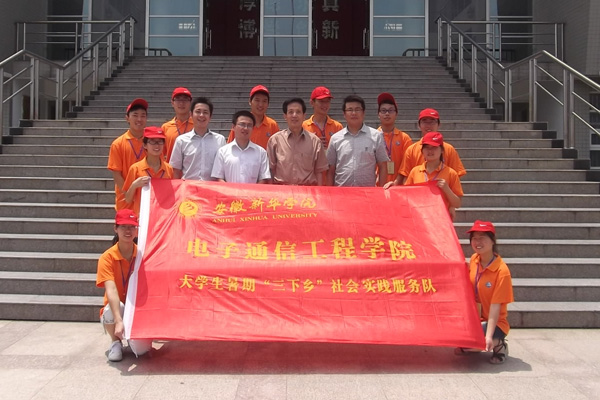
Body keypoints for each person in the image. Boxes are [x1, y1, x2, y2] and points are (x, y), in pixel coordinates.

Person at [96, 210, 152, 362]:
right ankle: (116, 342)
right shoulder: (107, 258)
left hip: (138, 308)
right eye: (123, 227)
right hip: (118, 307)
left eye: (132, 227)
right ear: (116, 228)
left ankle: (133, 340)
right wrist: (119, 321)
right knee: (110, 310)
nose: (128, 231)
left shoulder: (143, 255)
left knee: (141, 351)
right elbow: (111, 289)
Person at [456, 220, 514, 364]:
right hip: (476, 318)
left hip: (495, 322)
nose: (478, 242)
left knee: (473, 345)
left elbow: (495, 307)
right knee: (457, 339)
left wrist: (488, 336)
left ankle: (499, 344)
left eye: (482, 238)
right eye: (474, 238)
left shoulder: (501, 271)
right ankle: (477, 341)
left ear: (492, 240)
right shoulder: (475, 259)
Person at [385, 107, 466, 187]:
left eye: (432, 122)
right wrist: (394, 185)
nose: (428, 125)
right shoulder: (411, 150)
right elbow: (405, 174)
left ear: (439, 125)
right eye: (425, 121)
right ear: (419, 125)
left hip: (442, 193)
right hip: (418, 193)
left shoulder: (449, 149)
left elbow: (455, 178)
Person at [326, 95, 389, 187]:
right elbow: (330, 169)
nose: (354, 113)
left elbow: (383, 165)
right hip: (341, 191)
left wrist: (382, 190)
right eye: (350, 110)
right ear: (344, 114)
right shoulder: (335, 138)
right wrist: (329, 192)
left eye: (357, 109)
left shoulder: (376, 136)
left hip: (367, 192)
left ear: (363, 113)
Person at [267, 98, 328, 186]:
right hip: (282, 190)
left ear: (304, 116)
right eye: (291, 112)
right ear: (285, 116)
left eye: (298, 112)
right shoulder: (275, 140)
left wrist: (319, 192)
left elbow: (319, 172)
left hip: (307, 191)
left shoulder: (315, 141)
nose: (294, 115)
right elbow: (271, 170)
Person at [404, 131, 463, 216]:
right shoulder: (415, 171)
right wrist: (392, 187)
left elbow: (457, 204)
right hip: (420, 217)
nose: (430, 151)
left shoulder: (451, 173)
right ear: (422, 151)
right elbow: (405, 196)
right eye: (427, 148)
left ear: (442, 150)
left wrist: (447, 189)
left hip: (441, 219)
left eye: (434, 147)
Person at [169, 97, 225, 180]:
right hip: (188, 186)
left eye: (205, 112)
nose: (201, 115)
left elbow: (223, 169)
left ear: (210, 116)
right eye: (198, 112)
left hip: (212, 187)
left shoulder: (220, 140)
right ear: (191, 115)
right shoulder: (181, 140)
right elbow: (175, 170)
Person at [107, 98, 149, 210]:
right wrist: (129, 194)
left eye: (143, 116)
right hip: (125, 201)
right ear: (127, 118)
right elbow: (117, 175)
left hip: (147, 199)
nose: (139, 119)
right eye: (135, 115)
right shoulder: (118, 144)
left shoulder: (152, 142)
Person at [122, 126, 174, 216]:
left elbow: (171, 196)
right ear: (145, 145)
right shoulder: (135, 168)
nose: (157, 146)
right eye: (152, 142)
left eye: (160, 142)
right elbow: (128, 199)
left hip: (162, 217)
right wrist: (134, 185)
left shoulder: (168, 169)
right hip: (143, 217)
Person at [212, 110, 271, 183]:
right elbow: (218, 178)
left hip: (252, 190)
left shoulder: (261, 152)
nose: (245, 128)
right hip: (228, 190)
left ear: (253, 128)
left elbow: (263, 179)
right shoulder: (222, 151)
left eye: (249, 125)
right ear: (233, 127)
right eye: (242, 124)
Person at [226, 85, 279, 149]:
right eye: (257, 100)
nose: (260, 104)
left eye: (264, 101)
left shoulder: (272, 125)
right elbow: (229, 147)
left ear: (268, 104)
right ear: (250, 101)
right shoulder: (241, 123)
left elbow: (277, 148)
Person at [376, 92, 413, 185]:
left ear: (396, 114)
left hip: (397, 187)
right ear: (378, 114)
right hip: (375, 187)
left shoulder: (404, 138)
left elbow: (407, 165)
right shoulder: (372, 137)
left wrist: (396, 183)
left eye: (391, 110)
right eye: (383, 110)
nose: (387, 114)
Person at [162, 87, 193, 162]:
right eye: (178, 99)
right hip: (171, 169)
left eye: (185, 99)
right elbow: (161, 153)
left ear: (190, 103)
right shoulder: (166, 127)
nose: (181, 103)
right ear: (172, 103)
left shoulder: (197, 126)